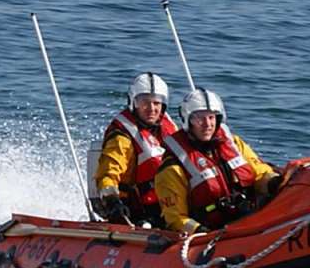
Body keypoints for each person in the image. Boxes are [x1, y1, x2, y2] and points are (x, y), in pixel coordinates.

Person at [155, 88, 279, 234]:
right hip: (213, 231)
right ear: (188, 121)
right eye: (199, 118)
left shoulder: (234, 144)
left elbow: (260, 173)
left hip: (249, 216)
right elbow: (175, 218)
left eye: (211, 117)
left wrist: (274, 182)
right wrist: (201, 232)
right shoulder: (173, 168)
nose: (207, 124)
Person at [94, 72, 179, 226]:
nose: (151, 108)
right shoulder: (122, 138)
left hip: (173, 204)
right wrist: (112, 201)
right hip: (141, 210)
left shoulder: (168, 127)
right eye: (144, 102)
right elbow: (107, 175)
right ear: (134, 103)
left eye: (156, 103)